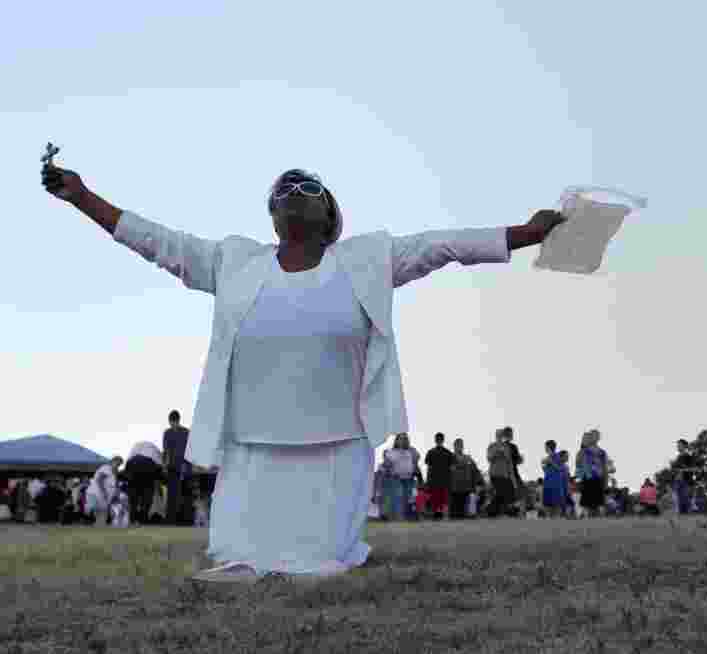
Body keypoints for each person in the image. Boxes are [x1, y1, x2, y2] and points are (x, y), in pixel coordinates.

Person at [43, 163, 563, 580]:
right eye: (282, 188)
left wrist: (530, 232)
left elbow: (447, 245)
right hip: (251, 440)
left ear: (330, 211)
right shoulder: (234, 262)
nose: (293, 189)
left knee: (324, 563)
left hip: (338, 439)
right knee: (240, 558)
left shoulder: (368, 258)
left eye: (307, 184)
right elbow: (157, 243)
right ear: (271, 215)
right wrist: (84, 197)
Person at [125, 441, 166, 525]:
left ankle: (132, 519)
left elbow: (127, 468)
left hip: (132, 464)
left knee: (133, 497)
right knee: (147, 495)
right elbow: (160, 471)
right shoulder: (156, 453)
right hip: (148, 465)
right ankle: (143, 519)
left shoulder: (137, 447)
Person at [381, 434, 421, 521]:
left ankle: (407, 516)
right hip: (396, 479)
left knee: (409, 498)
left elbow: (416, 459)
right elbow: (386, 465)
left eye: (405, 439)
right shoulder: (391, 452)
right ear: (397, 441)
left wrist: (417, 473)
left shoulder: (411, 451)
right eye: (401, 439)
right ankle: (398, 517)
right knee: (399, 498)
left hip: (409, 479)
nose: (403, 440)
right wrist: (388, 470)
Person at [162, 410, 191, 526]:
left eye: (173, 422)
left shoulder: (173, 432)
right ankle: (176, 520)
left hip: (180, 466)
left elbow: (167, 451)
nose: (173, 424)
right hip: (177, 467)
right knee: (176, 494)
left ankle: (179, 520)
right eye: (172, 422)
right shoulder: (183, 432)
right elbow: (166, 451)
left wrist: (165, 466)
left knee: (179, 494)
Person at [449, 438, 483, 520]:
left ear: (463, 447)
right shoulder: (450, 458)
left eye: (461, 445)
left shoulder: (468, 458)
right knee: (455, 515)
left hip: (467, 488)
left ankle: (472, 513)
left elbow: (476, 471)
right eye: (457, 445)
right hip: (454, 489)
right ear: (454, 447)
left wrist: (480, 482)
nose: (459, 447)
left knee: (468, 512)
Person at [576, 430, 607, 518]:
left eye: (597, 436)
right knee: (587, 502)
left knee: (598, 501)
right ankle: (587, 518)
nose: (595, 438)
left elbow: (604, 466)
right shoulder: (584, 451)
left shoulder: (602, 452)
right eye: (593, 436)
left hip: (598, 477)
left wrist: (605, 478)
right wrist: (580, 476)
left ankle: (598, 519)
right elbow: (578, 463)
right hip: (587, 477)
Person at [85, 457, 123, 527]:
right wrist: (104, 492)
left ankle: (97, 524)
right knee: (92, 508)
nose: (118, 465)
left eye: (119, 464)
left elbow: (115, 484)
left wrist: (116, 493)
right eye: (117, 463)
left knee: (102, 514)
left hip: (105, 496)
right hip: (96, 493)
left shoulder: (115, 472)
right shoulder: (106, 468)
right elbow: (99, 480)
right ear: (112, 461)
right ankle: (87, 521)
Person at [487, 429, 517, 517]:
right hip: (494, 474)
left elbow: (509, 462)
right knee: (500, 492)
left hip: (505, 474)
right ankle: (492, 510)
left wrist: (512, 477)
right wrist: (497, 452)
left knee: (505, 494)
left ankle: (492, 511)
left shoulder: (506, 447)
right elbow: (489, 458)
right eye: (498, 435)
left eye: (501, 435)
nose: (500, 436)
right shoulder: (492, 446)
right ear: (496, 436)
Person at [424, 432, 454, 520]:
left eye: (440, 439)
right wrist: (428, 480)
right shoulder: (430, 452)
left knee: (443, 499)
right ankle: (436, 515)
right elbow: (428, 467)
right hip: (434, 480)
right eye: (438, 439)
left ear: (443, 440)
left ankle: (444, 515)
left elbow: (452, 467)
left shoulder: (448, 453)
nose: (439, 441)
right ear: (435, 440)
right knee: (435, 499)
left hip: (445, 480)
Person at [541, 440, 569, 518]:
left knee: (556, 507)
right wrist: (543, 466)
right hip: (547, 483)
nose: (545, 448)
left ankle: (556, 522)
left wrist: (551, 462)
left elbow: (562, 468)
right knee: (547, 507)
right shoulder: (546, 458)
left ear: (549, 447)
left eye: (545, 447)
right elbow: (546, 471)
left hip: (556, 484)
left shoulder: (558, 456)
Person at [671, 439, 698, 515]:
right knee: (675, 497)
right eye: (677, 445)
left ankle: (691, 506)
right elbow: (676, 469)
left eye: (679, 445)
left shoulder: (688, 456)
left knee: (685, 502)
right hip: (678, 481)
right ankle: (678, 512)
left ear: (684, 446)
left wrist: (683, 470)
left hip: (685, 482)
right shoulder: (678, 457)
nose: (678, 447)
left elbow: (694, 468)